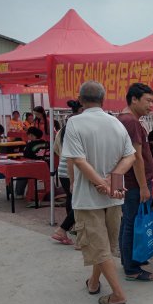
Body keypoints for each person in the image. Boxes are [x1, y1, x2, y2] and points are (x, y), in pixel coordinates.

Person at [62, 80, 136, 304]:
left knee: (99, 247)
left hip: (88, 198)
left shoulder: (74, 122)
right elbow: (130, 157)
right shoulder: (116, 123)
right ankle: (93, 282)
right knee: (103, 246)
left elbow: (78, 160)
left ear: (80, 100)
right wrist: (112, 180)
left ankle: (118, 295)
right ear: (103, 100)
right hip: (114, 195)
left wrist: (101, 183)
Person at [118, 83, 153, 282]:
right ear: (134, 99)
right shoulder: (131, 122)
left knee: (127, 222)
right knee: (132, 224)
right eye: (148, 101)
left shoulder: (123, 119)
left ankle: (128, 260)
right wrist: (143, 186)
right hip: (134, 183)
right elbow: (136, 157)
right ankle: (132, 268)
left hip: (128, 182)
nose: (151, 105)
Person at [51, 100, 84, 248]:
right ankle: (64, 229)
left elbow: (56, 149)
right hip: (73, 169)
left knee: (72, 200)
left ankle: (71, 229)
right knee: (80, 203)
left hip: (63, 169)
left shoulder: (65, 127)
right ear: (82, 109)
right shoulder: (79, 125)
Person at [14, 127, 48, 198]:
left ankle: (19, 194)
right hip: (46, 167)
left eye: (28, 135)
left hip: (33, 168)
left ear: (31, 135)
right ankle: (49, 190)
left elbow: (26, 156)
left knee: (21, 173)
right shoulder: (46, 143)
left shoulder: (30, 145)